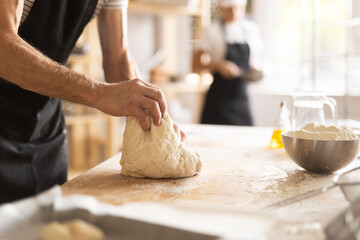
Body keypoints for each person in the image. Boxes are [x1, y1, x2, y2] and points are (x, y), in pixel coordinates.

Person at [0, 0, 184, 204]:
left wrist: (150, 113)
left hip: (44, 127)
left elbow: (118, 57)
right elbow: (2, 44)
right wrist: (99, 93)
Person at [193, 0, 264, 126]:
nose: (233, 12)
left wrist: (254, 68)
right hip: (218, 99)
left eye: (237, 8)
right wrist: (219, 65)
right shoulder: (210, 31)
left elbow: (254, 59)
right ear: (221, 8)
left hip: (241, 96)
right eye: (229, 9)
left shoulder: (251, 30)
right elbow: (195, 65)